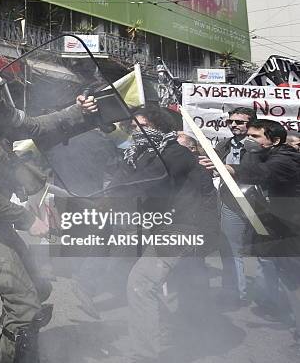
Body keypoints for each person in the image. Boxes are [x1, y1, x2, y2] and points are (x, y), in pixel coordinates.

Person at [0, 68, 99, 363]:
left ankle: (15, 334)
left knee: (37, 288)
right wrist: (29, 220)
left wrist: (78, 111)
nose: (4, 99)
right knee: (25, 305)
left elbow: (40, 126)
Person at [121, 106, 220, 362]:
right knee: (181, 286)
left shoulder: (174, 154)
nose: (135, 132)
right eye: (132, 127)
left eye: (139, 126)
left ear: (158, 128)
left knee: (141, 283)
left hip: (183, 230)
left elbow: (143, 183)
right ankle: (177, 334)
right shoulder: (145, 154)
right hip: (168, 228)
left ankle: (145, 356)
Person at [224, 119, 300, 356]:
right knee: (289, 279)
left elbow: (259, 174)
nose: (249, 140)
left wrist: (233, 169)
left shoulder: (286, 158)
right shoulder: (265, 153)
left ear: (275, 140)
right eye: (249, 135)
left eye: (256, 137)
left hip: (293, 228)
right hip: (281, 228)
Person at [199, 107, 257, 305]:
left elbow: (259, 169)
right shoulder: (224, 144)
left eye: (240, 122)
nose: (234, 125)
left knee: (268, 254)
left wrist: (229, 168)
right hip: (231, 202)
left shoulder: (259, 144)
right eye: (231, 121)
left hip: (258, 202)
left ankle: (272, 297)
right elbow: (211, 164)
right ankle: (235, 293)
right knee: (230, 248)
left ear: (251, 124)